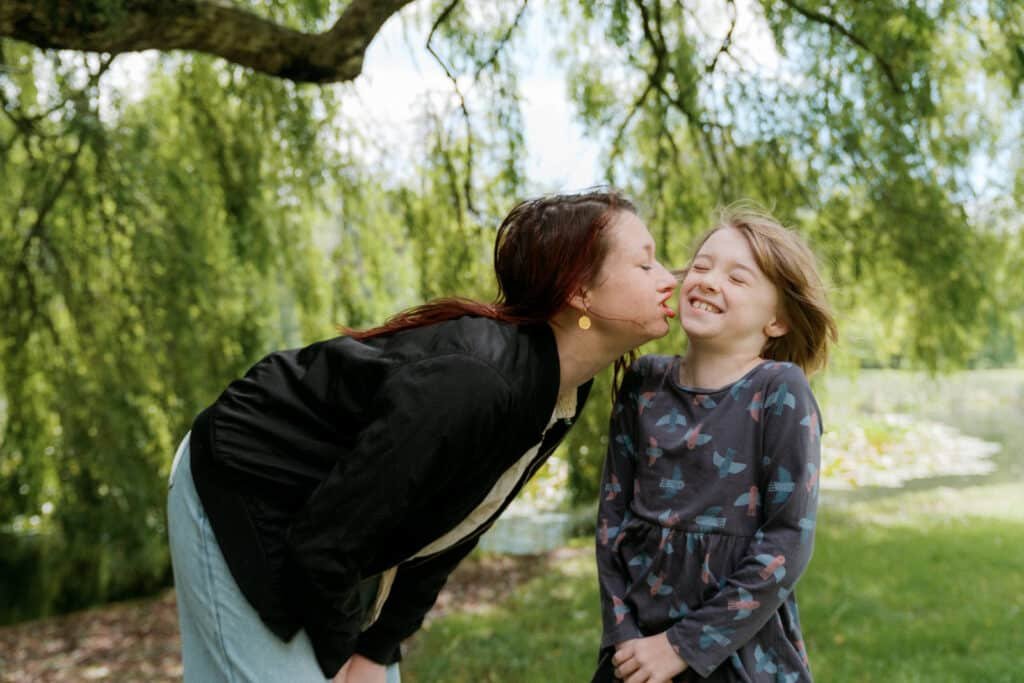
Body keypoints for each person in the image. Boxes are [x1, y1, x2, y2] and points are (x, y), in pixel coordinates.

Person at [166, 189, 678, 682]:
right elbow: (328, 540)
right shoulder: (475, 384)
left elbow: (455, 525)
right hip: (245, 479)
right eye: (645, 264)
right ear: (579, 292)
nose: (668, 278)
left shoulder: (563, 388)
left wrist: (377, 648)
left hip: (324, 531)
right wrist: (340, 652)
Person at [593, 203, 838, 683]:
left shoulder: (779, 391)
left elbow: (788, 539)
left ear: (777, 321)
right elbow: (610, 520)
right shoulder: (643, 381)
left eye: (737, 278)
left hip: (737, 655)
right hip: (637, 652)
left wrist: (681, 646)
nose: (707, 281)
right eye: (701, 267)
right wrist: (622, 634)